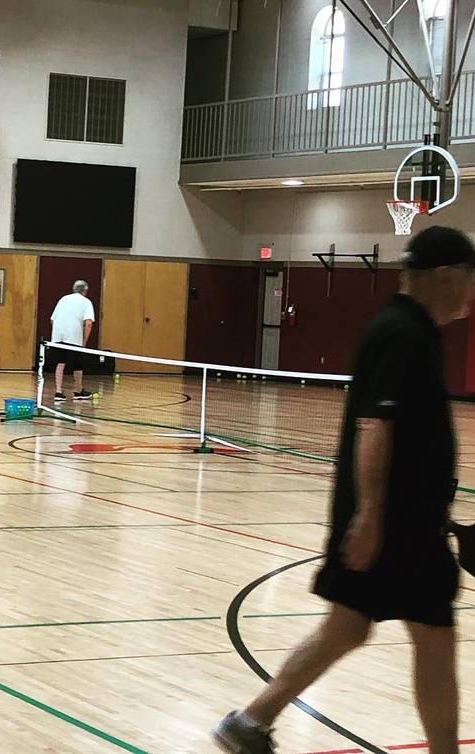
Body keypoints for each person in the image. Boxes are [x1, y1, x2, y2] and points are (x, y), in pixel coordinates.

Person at [213, 226, 475, 754]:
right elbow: (375, 427)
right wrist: (371, 517)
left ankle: (251, 721)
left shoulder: (408, 330)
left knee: (349, 628)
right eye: (470, 279)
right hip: (395, 528)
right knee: (433, 636)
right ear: (446, 275)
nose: (472, 294)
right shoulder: (403, 335)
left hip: (398, 522)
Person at [50, 279, 95, 402]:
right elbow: (88, 323)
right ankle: (78, 390)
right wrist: (84, 339)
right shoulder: (86, 302)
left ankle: (58, 392)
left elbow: (52, 319)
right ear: (85, 290)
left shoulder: (63, 299)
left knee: (60, 363)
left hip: (57, 337)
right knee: (77, 364)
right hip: (74, 337)